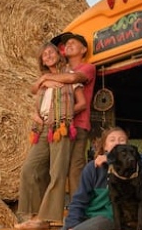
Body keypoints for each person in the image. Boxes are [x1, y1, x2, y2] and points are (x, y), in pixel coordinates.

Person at [16, 43, 86, 230]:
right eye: (43, 55)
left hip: (61, 125)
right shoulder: (42, 83)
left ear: (58, 53)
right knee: (30, 168)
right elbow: (33, 92)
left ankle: (45, 218)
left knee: (57, 172)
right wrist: (43, 82)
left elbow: (82, 103)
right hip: (42, 127)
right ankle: (35, 214)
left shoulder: (69, 74)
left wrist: (64, 114)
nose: (47, 56)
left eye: (50, 52)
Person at [33, 32, 96, 201]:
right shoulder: (61, 69)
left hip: (78, 125)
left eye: (74, 43)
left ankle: (78, 211)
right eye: (66, 44)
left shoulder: (87, 68)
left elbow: (73, 78)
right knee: (53, 169)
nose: (68, 44)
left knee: (74, 169)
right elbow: (34, 89)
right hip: (58, 126)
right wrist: (43, 82)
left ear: (83, 49)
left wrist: (46, 77)